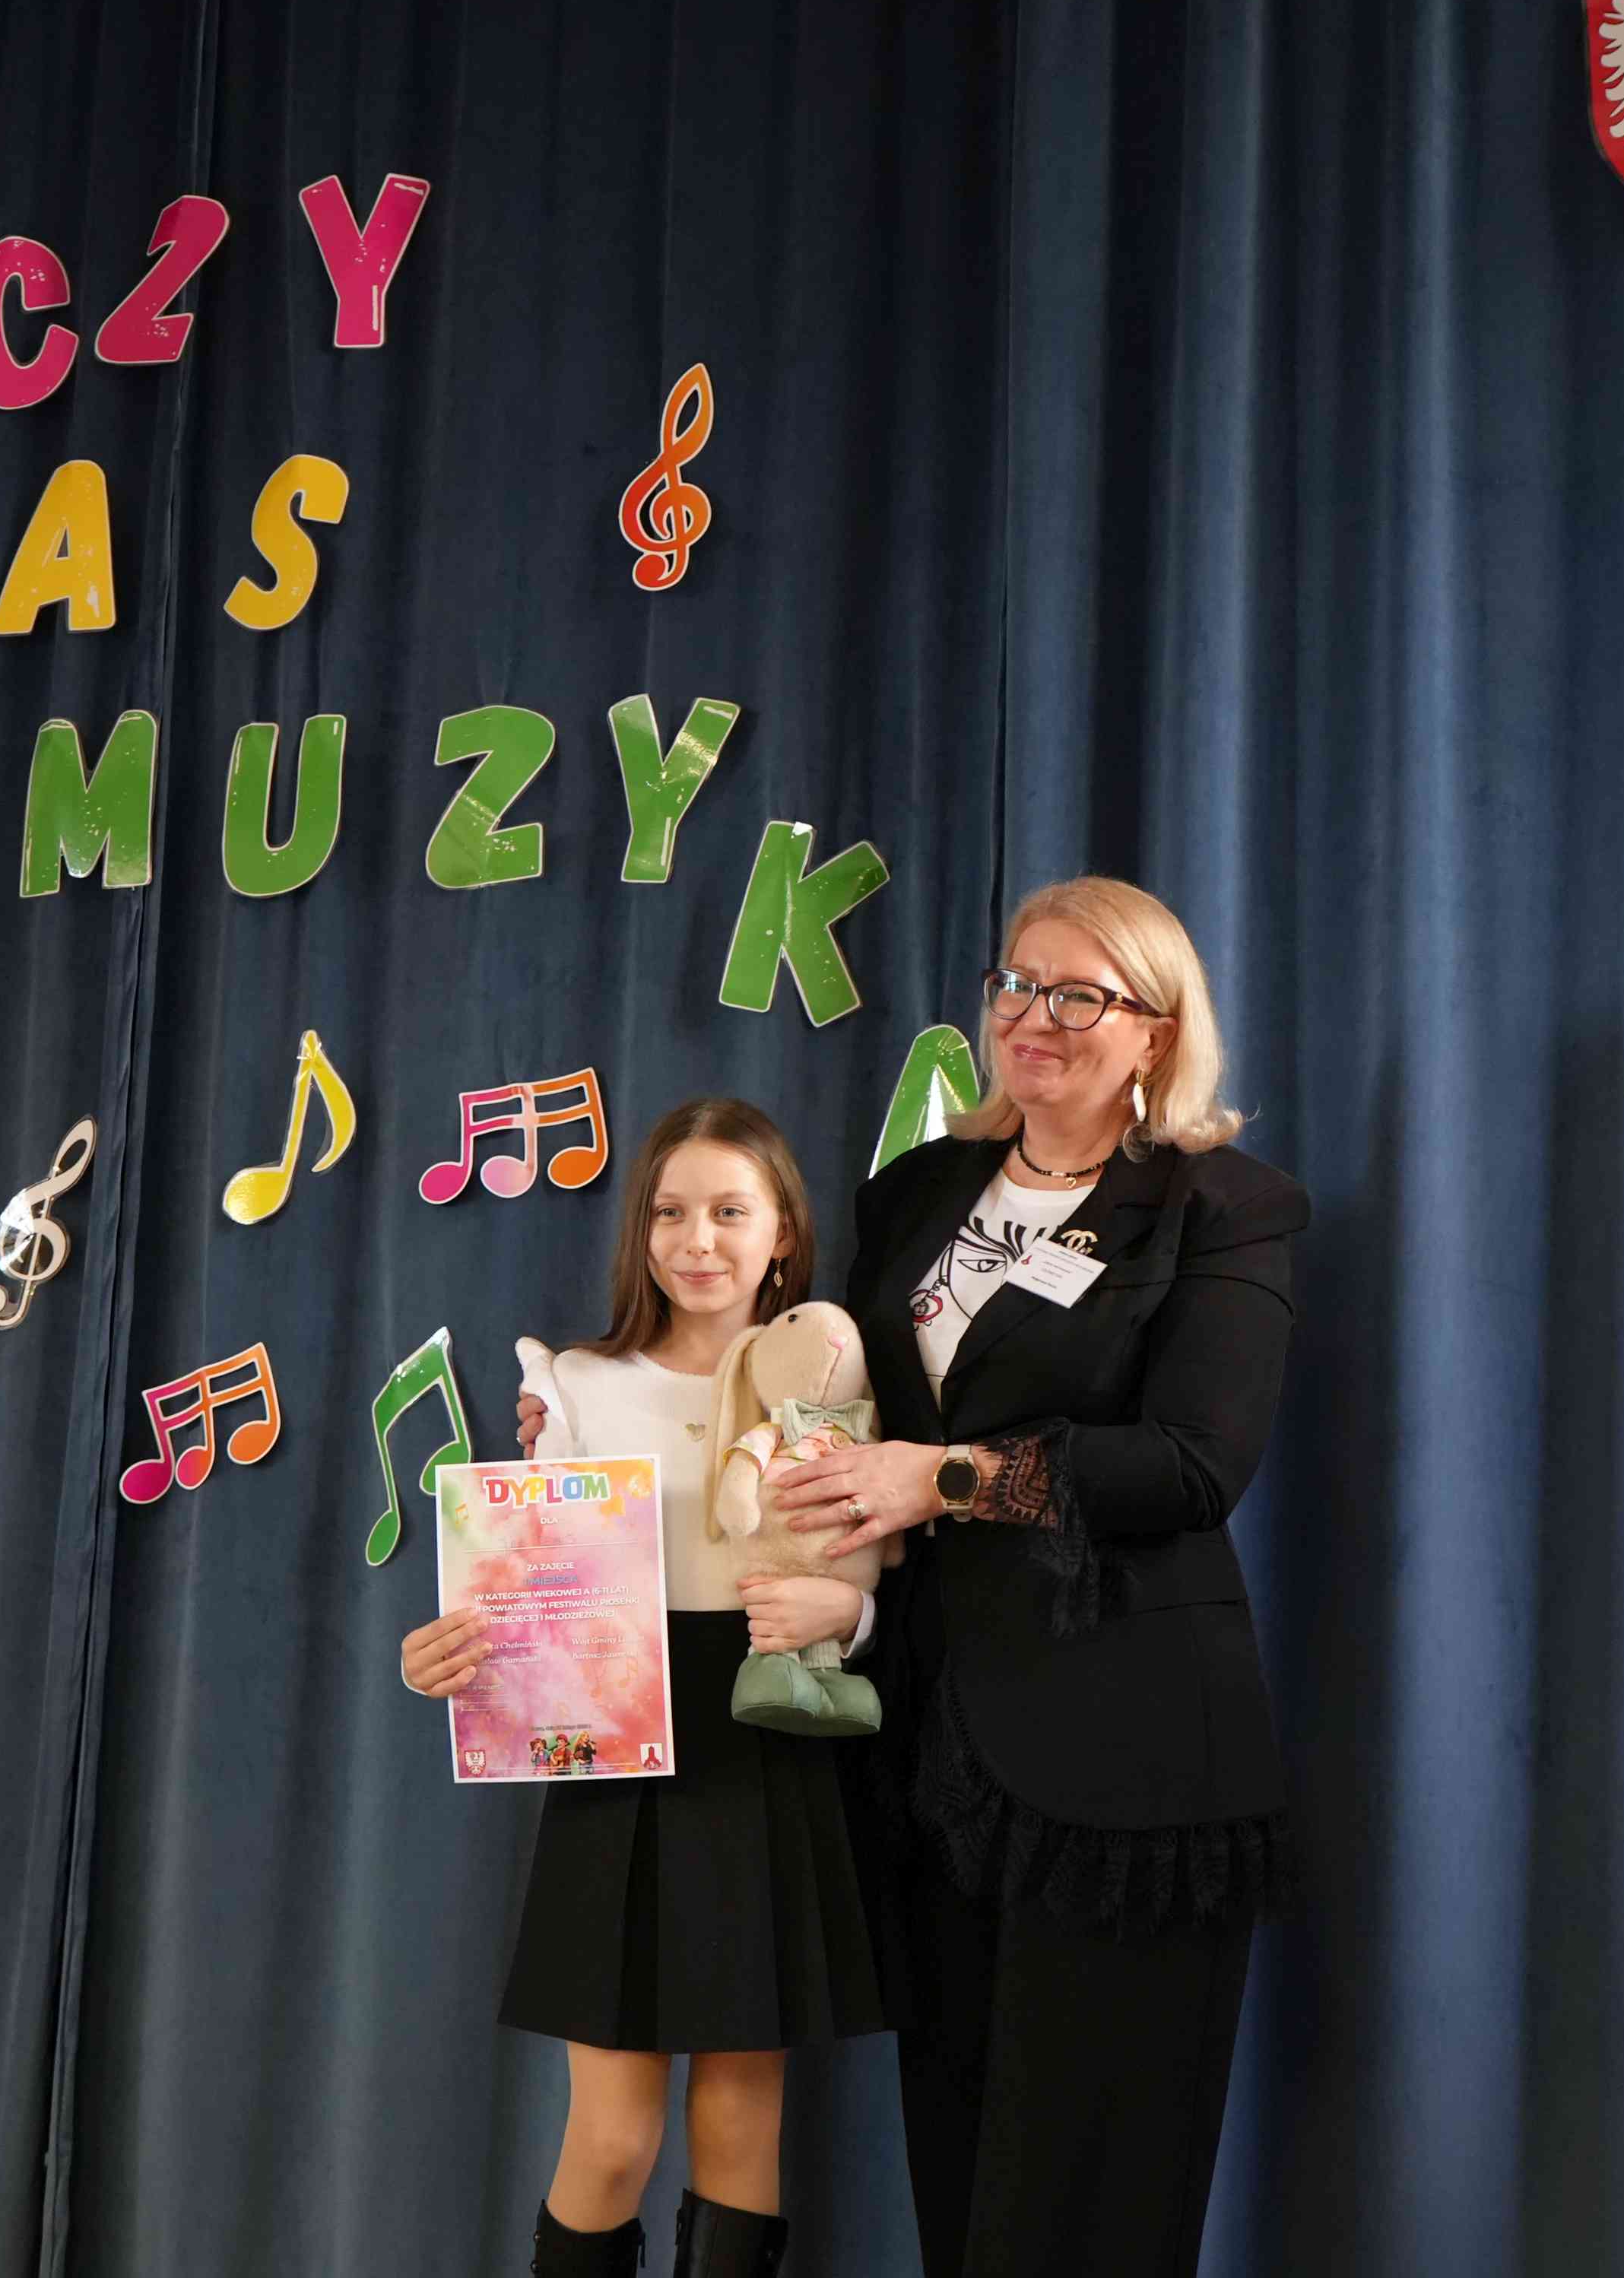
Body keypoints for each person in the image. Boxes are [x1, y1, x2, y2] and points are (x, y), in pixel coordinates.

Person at [764, 875, 1308, 2277]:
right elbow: (829, 1398)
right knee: (961, 2191)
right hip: (932, 1756)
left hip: (1127, 1769)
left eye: (1080, 995)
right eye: (1016, 983)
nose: (1033, 1017)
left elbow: (1194, 1466)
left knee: (1089, 2209)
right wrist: (600, 1414)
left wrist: (942, 1479)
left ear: (1157, 1031)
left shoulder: (1222, 1207)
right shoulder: (915, 1195)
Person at [401, 1098, 886, 2278]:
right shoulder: (575, 1384)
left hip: (766, 1735)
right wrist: (450, 1658)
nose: (696, 1240)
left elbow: (876, 1579)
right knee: (613, 2136)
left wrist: (851, 1617)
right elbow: (533, 1591)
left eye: (730, 1211)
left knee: (740, 2121)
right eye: (670, 1212)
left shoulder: (829, 1377)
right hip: (617, 1750)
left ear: (784, 1232)